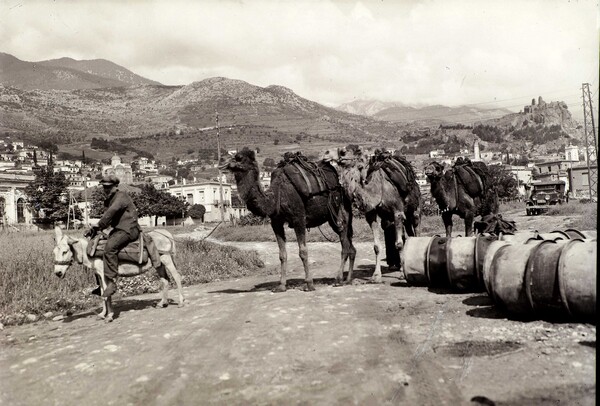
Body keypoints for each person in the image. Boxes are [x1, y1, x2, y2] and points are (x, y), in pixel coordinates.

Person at [90, 175, 142, 298]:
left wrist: (98, 225)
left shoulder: (121, 197)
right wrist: (95, 229)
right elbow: (109, 218)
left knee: (109, 248)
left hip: (129, 229)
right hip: (119, 230)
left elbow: (111, 213)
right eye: (104, 187)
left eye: (108, 187)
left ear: (115, 186)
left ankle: (112, 283)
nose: (106, 189)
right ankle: (100, 283)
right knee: (98, 247)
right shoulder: (109, 200)